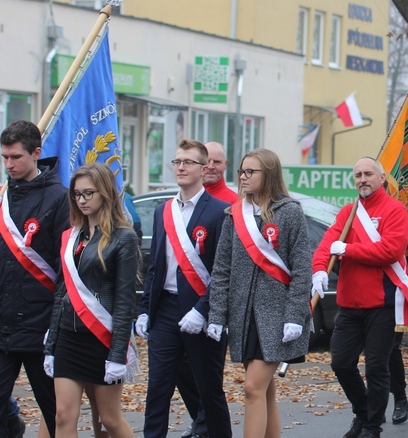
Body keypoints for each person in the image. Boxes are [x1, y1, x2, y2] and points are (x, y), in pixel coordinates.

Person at [207, 148, 311, 437]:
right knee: (264, 392)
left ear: (269, 174)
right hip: (244, 316)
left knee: (252, 388)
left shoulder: (290, 212)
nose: (243, 177)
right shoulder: (234, 215)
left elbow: (302, 269)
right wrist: (217, 314)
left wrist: (295, 316)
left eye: (250, 171)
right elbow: (222, 269)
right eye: (241, 171)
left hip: (278, 318)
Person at [136, 139, 231, 438]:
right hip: (165, 309)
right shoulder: (162, 211)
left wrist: (203, 311)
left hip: (202, 312)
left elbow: (223, 272)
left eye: (187, 162)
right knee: (158, 388)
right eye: (177, 161)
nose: (180, 167)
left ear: (204, 169)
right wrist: (143, 310)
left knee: (209, 389)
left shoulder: (220, 212)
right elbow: (155, 266)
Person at [311, 157, 408, 438]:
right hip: (349, 303)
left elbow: (390, 251)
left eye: (368, 174)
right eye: (357, 175)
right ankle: (364, 410)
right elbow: (326, 245)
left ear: (381, 178)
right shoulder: (348, 212)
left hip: (382, 303)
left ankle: (371, 427)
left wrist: (349, 250)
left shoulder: (395, 211)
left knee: (377, 367)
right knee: (340, 363)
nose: (362, 179)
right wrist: (319, 269)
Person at [44, 163, 138, 437]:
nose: (82, 200)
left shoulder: (124, 238)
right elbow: (61, 291)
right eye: (76, 194)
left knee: (108, 419)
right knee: (63, 416)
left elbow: (124, 301)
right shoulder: (71, 237)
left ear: (105, 193)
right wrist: (51, 345)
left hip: (103, 339)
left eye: (89, 193)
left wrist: (118, 354)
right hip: (69, 338)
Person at [0, 120, 69, 436]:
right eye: (5, 158)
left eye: (16, 157)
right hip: (3, 325)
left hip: (41, 326)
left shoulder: (58, 199)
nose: (9, 165)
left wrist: (55, 325)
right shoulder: (2, 197)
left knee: (56, 413)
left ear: (36, 153)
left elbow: (65, 267)